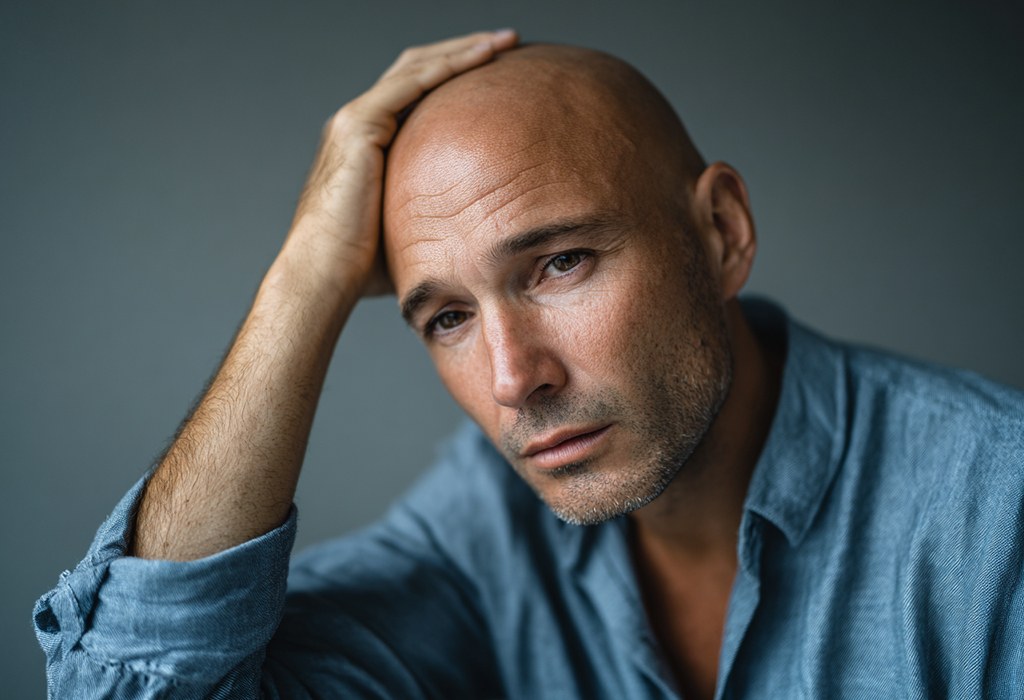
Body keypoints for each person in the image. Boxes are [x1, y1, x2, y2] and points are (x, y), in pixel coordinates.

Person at [34, 30, 1024, 699]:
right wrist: (303, 282)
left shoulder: (998, 509)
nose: (515, 379)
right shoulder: (484, 529)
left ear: (720, 233)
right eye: (449, 316)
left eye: (560, 264)